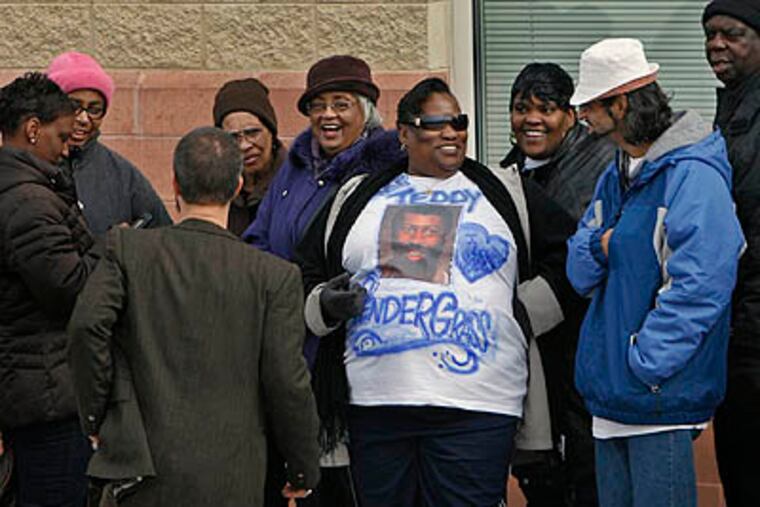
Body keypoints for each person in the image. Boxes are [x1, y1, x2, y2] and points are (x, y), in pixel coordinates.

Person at [298, 77, 578, 507]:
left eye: (459, 122)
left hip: (478, 406)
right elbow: (305, 269)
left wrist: (524, 314)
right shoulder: (356, 195)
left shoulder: (506, 191)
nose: (451, 132)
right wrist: (326, 304)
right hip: (375, 404)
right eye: (434, 123)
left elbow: (570, 257)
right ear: (404, 133)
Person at [67, 127, 320, 507]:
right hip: (231, 474)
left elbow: (87, 327)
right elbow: (287, 380)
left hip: (140, 462)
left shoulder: (128, 249)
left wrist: (99, 417)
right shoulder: (274, 275)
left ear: (175, 184)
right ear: (237, 186)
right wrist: (302, 468)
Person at [566, 38, 745, 507]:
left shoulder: (693, 174)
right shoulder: (617, 172)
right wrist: (602, 245)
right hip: (613, 395)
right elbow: (578, 269)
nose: (581, 117)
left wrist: (647, 362)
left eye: (589, 106)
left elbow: (701, 284)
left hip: (657, 397)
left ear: (619, 103)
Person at [244, 54, 403, 507]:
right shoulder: (294, 169)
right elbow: (258, 237)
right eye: (318, 105)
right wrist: (275, 292)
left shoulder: (384, 173)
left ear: (366, 111)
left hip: (348, 350)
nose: (327, 116)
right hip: (289, 339)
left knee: (348, 483)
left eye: (341, 104)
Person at [501, 62, 614, 507]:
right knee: (539, 467)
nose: (532, 119)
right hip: (532, 346)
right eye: (520, 108)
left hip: (582, 344)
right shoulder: (511, 173)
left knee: (584, 469)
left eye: (546, 109)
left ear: (571, 114)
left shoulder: (600, 165)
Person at [0, 72, 100, 507]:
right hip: (47, 397)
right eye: (61, 135)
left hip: (36, 388)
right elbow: (70, 289)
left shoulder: (27, 191)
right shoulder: (28, 201)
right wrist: (111, 247)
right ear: (32, 129)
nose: (66, 147)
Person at [702, 2, 760, 504]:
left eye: (732, 33)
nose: (717, 44)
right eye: (711, 33)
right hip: (737, 318)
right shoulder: (733, 105)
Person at [46, 51, 171, 235]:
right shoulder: (29, 165)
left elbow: (163, 236)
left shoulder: (123, 174)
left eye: (94, 110)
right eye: (73, 106)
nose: (83, 118)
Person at [213, 77, 287, 236]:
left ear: (271, 132)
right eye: (233, 137)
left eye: (252, 133)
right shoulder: (216, 189)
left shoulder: (295, 181)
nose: (244, 145)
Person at [380, 205, 458, 284]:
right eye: (409, 229)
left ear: (445, 239)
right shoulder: (372, 280)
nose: (416, 240)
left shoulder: (460, 286)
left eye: (430, 232)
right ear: (394, 234)